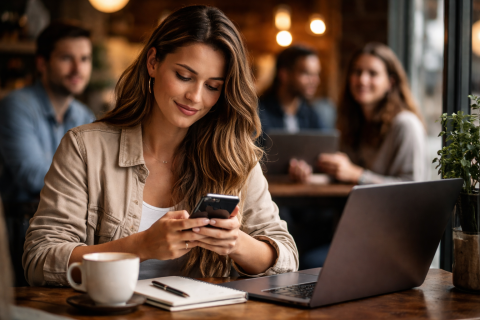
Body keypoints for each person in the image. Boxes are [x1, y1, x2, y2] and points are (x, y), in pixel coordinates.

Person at [23, 5, 298, 286]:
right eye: (184, 76)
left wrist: (236, 243)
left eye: (213, 86)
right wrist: (140, 246)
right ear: (153, 62)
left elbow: (286, 256)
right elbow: (40, 259)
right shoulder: (85, 148)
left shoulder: (234, 157)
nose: (195, 96)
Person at [0, 21, 95, 287]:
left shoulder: (84, 115)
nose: (78, 69)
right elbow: (30, 175)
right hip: (18, 233)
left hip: (71, 233)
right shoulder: (15, 106)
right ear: (42, 63)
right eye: (67, 58)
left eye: (85, 59)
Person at [318, 42, 427, 184]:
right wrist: (310, 176)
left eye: (373, 73)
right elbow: (343, 175)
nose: (362, 80)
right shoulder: (354, 122)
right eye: (357, 72)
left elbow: (414, 187)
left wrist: (358, 175)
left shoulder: (406, 124)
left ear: (390, 83)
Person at [258, 45, 326, 181]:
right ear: (284, 74)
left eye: (316, 74)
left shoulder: (312, 114)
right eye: (307, 73)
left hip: (306, 192)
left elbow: (323, 155)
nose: (315, 80)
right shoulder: (257, 112)